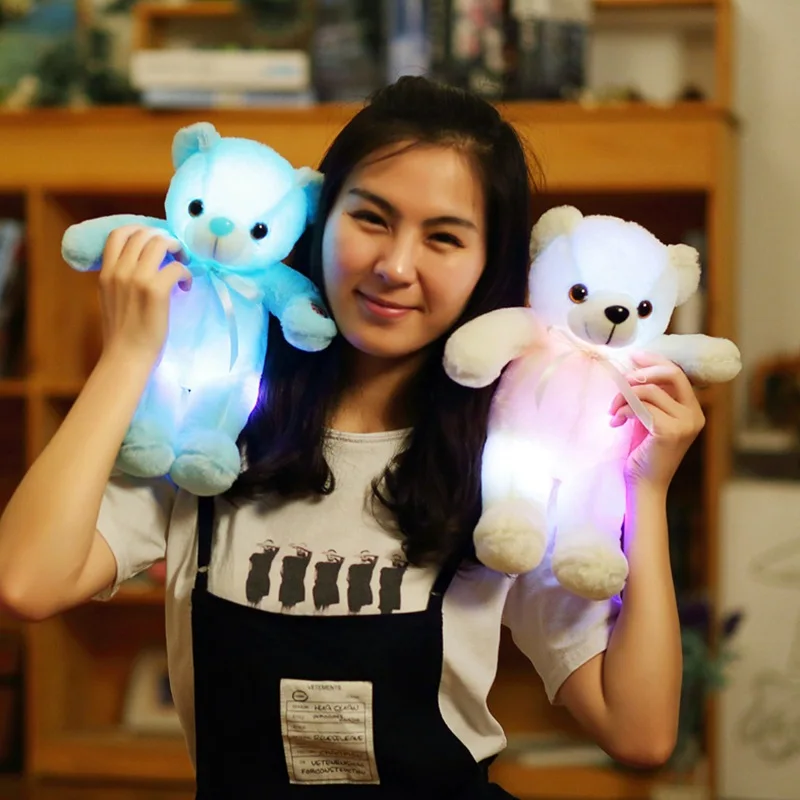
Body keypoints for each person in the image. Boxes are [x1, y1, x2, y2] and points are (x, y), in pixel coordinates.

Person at [0, 76, 703, 798]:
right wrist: (127, 355)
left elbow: (640, 730)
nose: (394, 266)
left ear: (488, 266)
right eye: (370, 218)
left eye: (443, 237)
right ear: (320, 218)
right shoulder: (214, 423)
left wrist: (645, 488)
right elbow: (26, 581)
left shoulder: (508, 459)